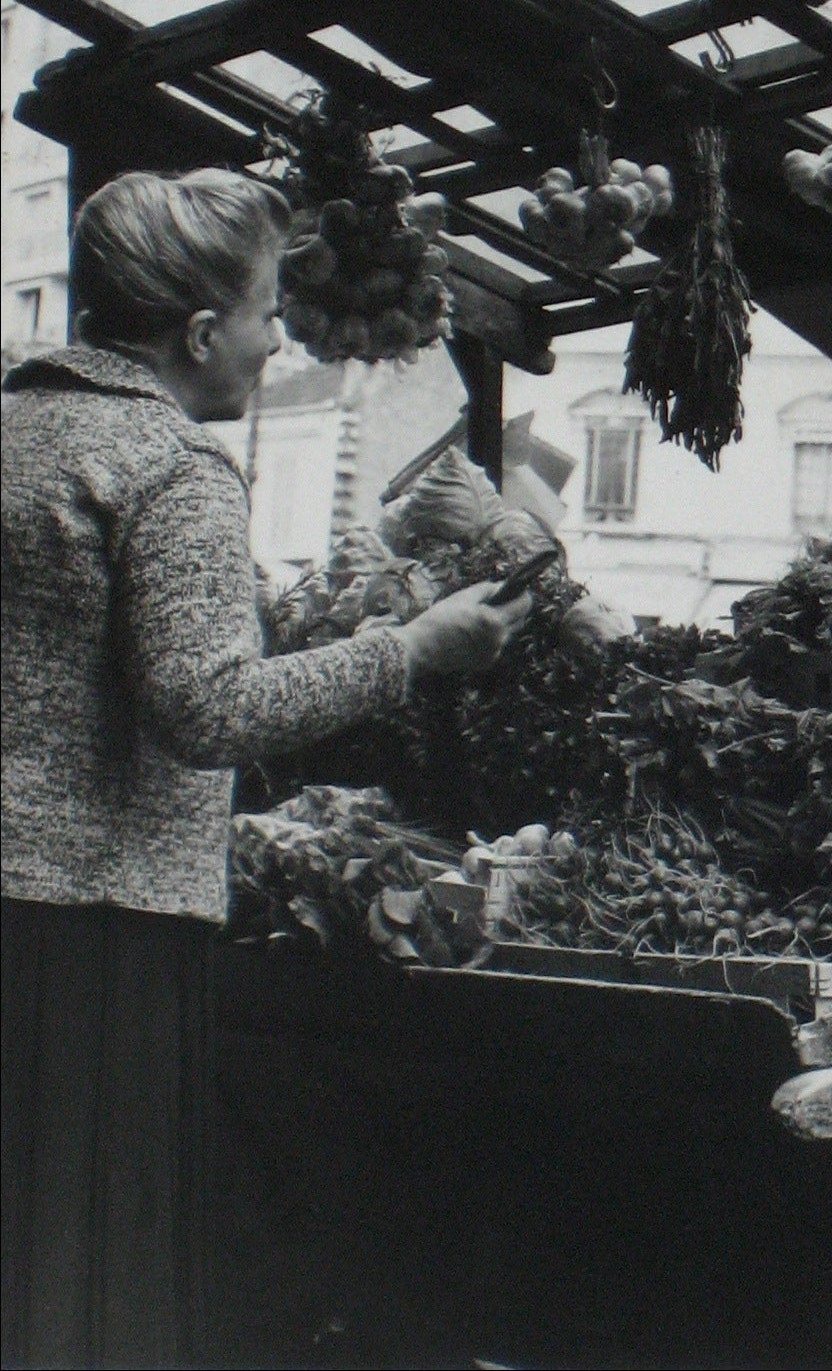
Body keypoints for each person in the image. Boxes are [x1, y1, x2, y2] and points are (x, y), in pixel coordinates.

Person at [0, 168, 531, 1368]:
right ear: (198, 334)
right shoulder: (171, 465)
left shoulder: (12, 428)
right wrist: (412, 649)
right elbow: (208, 707)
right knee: (93, 1286)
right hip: (100, 935)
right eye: (262, 314)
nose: (276, 337)